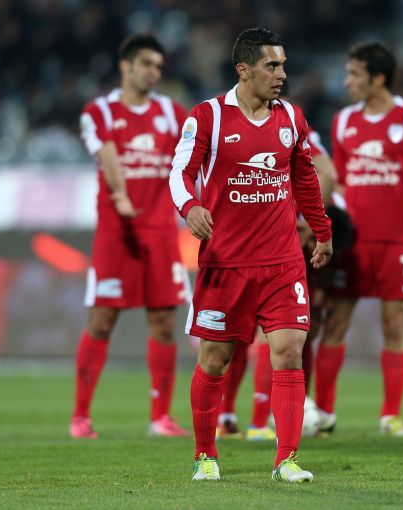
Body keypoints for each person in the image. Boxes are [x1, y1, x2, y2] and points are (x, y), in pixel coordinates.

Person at [169, 28, 332, 482]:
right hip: (226, 262)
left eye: (283, 66)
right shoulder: (208, 116)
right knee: (214, 360)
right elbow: (179, 172)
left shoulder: (291, 118)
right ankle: (205, 455)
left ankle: (287, 460)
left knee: (289, 351)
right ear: (244, 70)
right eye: (271, 66)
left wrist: (322, 231)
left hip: (282, 260)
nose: (281, 75)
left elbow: (305, 178)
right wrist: (191, 206)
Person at [315, 42, 403, 437]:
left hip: (397, 240)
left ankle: (391, 416)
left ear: (378, 78)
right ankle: (324, 414)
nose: (347, 82)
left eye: (354, 74)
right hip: (353, 243)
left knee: (395, 322)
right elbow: (337, 181)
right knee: (335, 320)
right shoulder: (343, 122)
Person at [71, 34, 190, 439]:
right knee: (102, 320)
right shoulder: (99, 111)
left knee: (164, 323)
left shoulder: (172, 114)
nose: (154, 72)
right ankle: (80, 416)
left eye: (159, 66)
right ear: (126, 67)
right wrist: (120, 193)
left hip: (160, 231)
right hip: (116, 232)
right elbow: (106, 152)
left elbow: (191, 160)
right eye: (147, 64)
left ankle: (160, 417)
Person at [213, 129, 339, 443]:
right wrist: (307, 219)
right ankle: (258, 422)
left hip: (242, 240)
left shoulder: (250, 127)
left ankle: (229, 417)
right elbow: (329, 175)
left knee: (244, 333)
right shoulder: (290, 130)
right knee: (280, 333)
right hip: (274, 242)